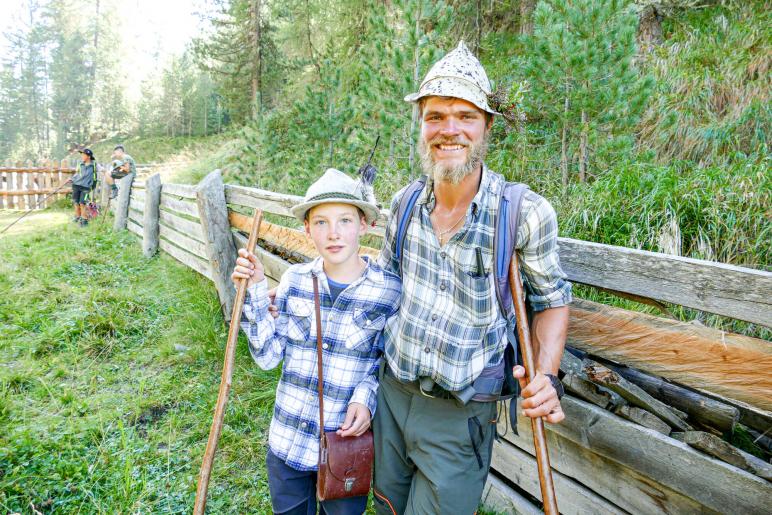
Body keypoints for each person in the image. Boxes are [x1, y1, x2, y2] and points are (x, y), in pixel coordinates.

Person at [372, 41, 572, 515]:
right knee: (386, 508)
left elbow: (552, 299)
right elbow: (382, 287)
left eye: (465, 116)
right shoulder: (403, 205)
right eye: (435, 116)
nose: (449, 130)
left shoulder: (522, 212)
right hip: (391, 394)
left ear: (487, 127)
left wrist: (546, 376)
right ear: (421, 124)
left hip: (460, 415)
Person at [231, 168, 402, 515]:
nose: (333, 233)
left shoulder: (388, 291)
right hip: (288, 441)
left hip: (346, 447)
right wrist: (254, 293)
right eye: (321, 222)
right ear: (307, 229)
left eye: (345, 220)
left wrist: (367, 399)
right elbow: (267, 356)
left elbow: (386, 364)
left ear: (365, 224)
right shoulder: (295, 280)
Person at [71, 148, 98, 227]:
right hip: (76, 185)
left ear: (88, 156)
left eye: (84, 154)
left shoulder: (94, 165)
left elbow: (100, 172)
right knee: (76, 202)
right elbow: (77, 173)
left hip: (86, 187)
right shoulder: (80, 164)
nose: (82, 156)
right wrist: (72, 179)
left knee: (82, 203)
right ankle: (77, 217)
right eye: (81, 154)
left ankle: (84, 220)